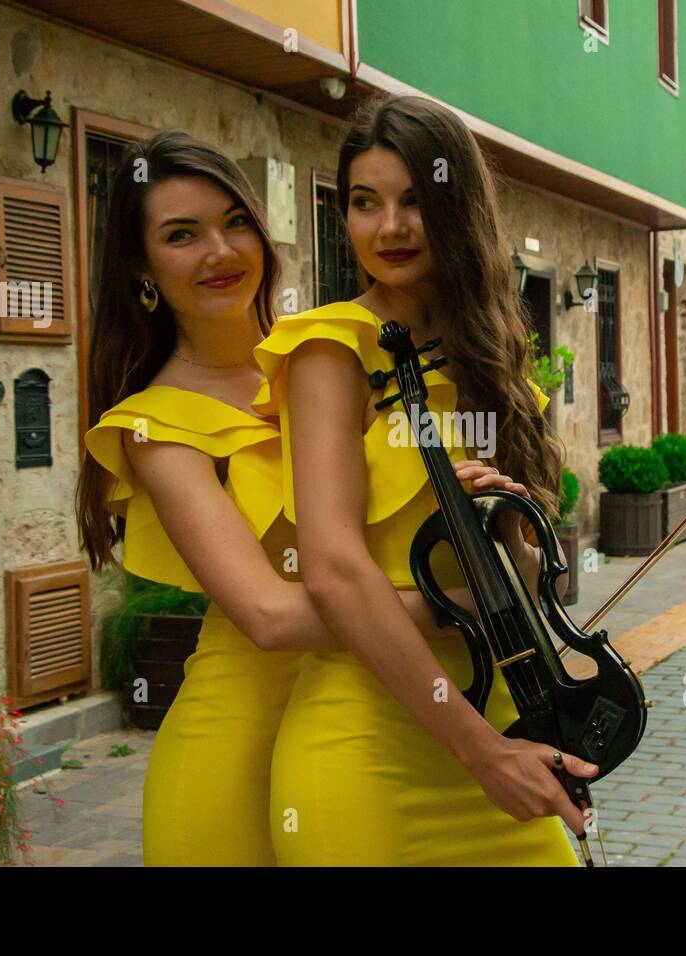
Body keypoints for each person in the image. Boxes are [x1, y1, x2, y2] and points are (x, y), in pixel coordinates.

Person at [75, 131, 522, 865]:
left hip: (388, 719)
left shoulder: (335, 352)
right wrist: (464, 599)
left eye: (236, 221)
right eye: (182, 235)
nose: (220, 252)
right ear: (142, 267)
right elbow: (270, 615)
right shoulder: (156, 425)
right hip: (235, 753)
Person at [255, 95, 595, 866]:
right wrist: (482, 751)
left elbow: (531, 576)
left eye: (414, 201)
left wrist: (512, 518)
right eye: (364, 203)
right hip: (367, 751)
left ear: (456, 208)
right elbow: (336, 571)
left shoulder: (490, 363)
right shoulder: (329, 350)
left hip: (503, 716)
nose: (389, 228)